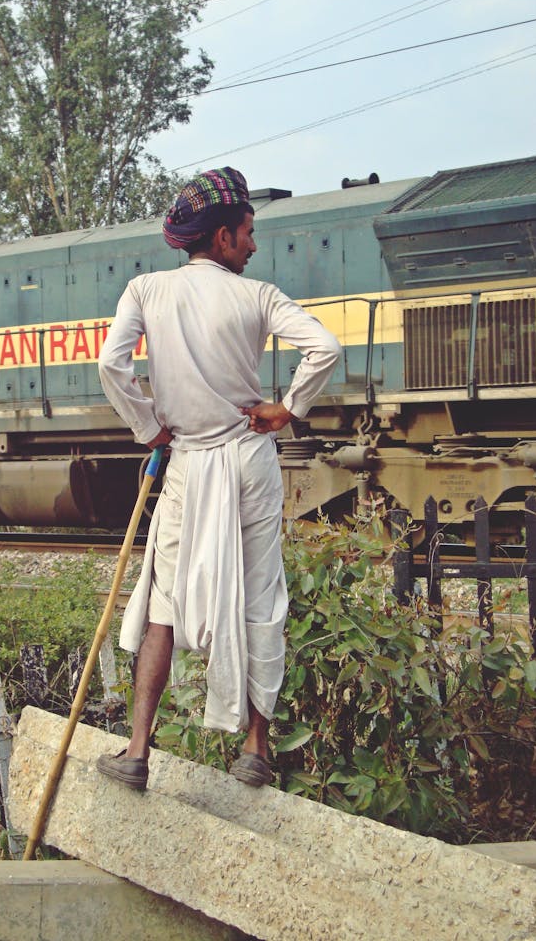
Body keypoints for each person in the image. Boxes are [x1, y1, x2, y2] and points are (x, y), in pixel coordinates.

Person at [96, 167, 341, 789]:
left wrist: (148, 425)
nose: (254, 246)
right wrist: (289, 408)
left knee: (163, 606)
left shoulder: (146, 290)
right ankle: (255, 750)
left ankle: (137, 753)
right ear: (224, 236)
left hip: (188, 464)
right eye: (249, 234)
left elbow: (112, 364)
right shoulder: (257, 296)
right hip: (249, 461)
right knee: (263, 599)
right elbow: (326, 349)